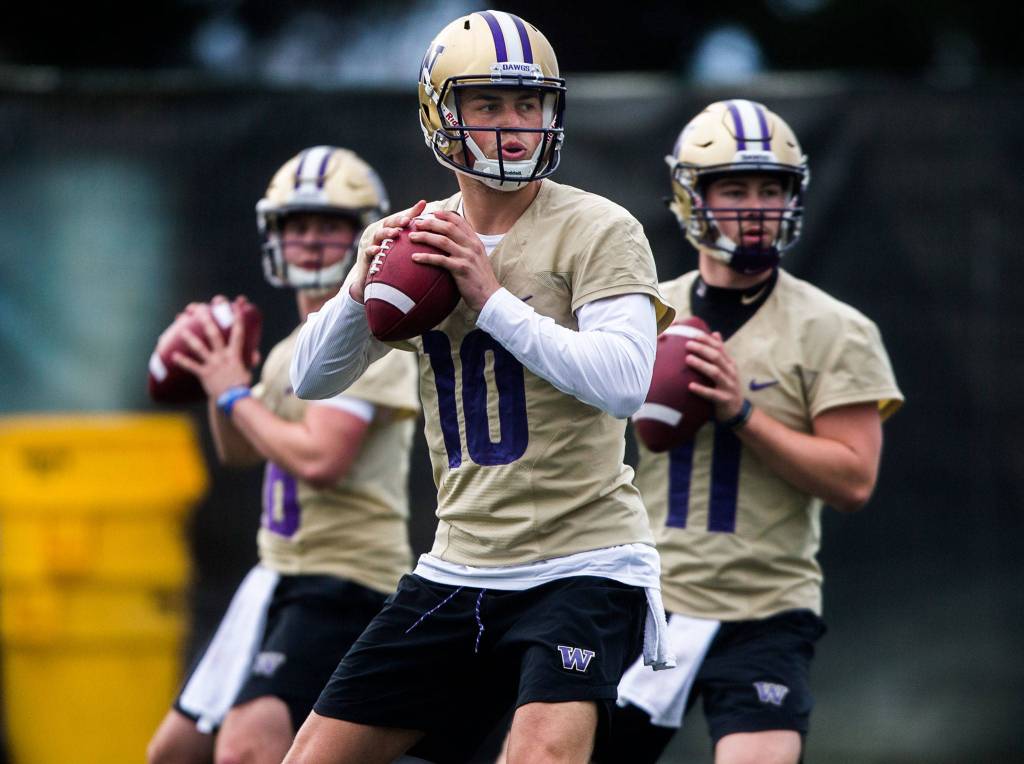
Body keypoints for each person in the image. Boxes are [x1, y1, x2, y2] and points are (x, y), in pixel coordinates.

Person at [284, 10, 677, 764]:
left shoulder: (600, 228)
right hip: (459, 562)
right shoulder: (415, 236)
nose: (514, 126)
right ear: (441, 113)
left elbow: (627, 383)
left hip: (583, 562)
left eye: (528, 104)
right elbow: (312, 378)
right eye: (489, 104)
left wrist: (491, 299)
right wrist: (355, 286)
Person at [597, 99, 905, 764]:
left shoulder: (835, 329)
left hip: (764, 610)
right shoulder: (639, 312)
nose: (756, 206)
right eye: (734, 188)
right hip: (646, 603)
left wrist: (743, 413)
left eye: (772, 189)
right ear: (692, 198)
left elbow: (853, 481)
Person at [146, 146, 420, 764]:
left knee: (247, 748)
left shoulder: (368, 336)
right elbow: (243, 451)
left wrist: (233, 392)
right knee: (173, 751)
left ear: (361, 235)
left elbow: (321, 457)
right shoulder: (288, 349)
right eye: (299, 226)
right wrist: (229, 383)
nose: (313, 242)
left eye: (331, 226)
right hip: (277, 579)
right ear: (277, 236)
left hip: (340, 581)